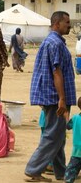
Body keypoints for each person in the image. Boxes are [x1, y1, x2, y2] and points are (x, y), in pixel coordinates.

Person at [25, 11, 76, 182]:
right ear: (57, 24)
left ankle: (61, 171)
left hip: (51, 95)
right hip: (54, 97)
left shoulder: (53, 42)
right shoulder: (54, 43)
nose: (69, 25)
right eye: (67, 22)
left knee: (58, 135)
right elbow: (57, 72)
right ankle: (33, 169)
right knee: (53, 135)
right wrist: (62, 98)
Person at [64, 97, 81, 183]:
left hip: (77, 151)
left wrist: (66, 117)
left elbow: (68, 126)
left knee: (70, 172)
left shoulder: (75, 118)